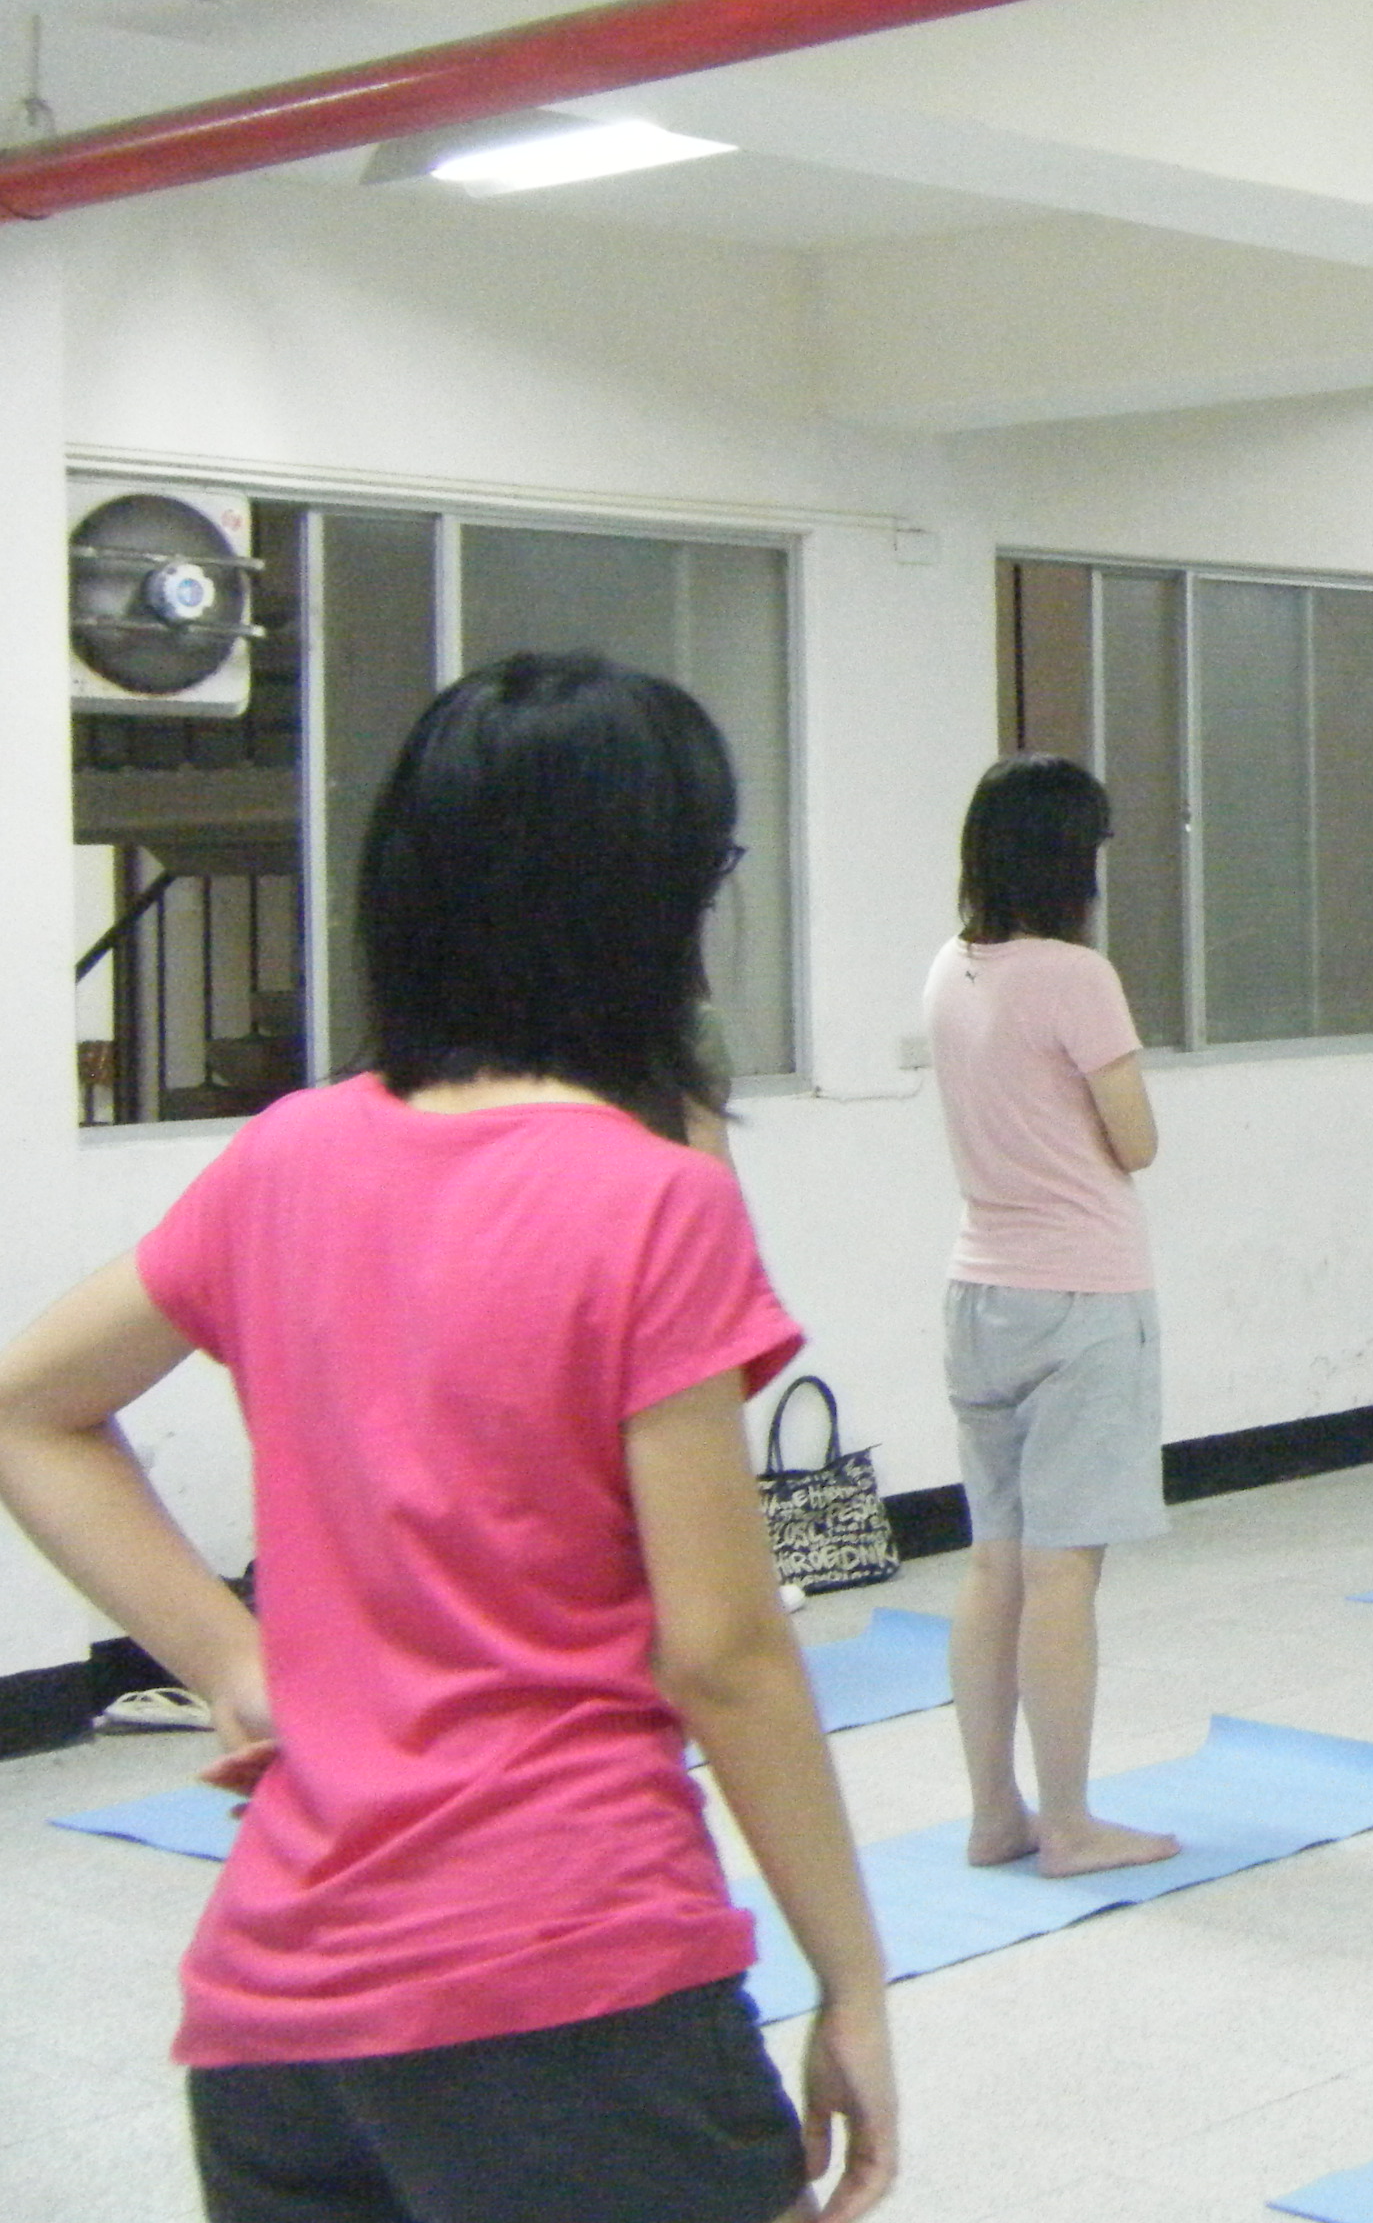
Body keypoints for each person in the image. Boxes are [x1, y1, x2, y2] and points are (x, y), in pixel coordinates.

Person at [0, 653, 895, 2223]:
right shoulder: (652, 1201)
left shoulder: (287, 1154)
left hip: (281, 2023)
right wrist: (856, 1983)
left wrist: (230, 1660)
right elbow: (724, 1652)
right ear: (659, 903)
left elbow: (30, 1409)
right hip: (570, 1992)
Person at [927, 755, 1179, 1877]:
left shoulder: (951, 968)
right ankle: (1070, 1824)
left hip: (978, 1291)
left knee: (996, 1566)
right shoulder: (1077, 976)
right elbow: (1138, 1141)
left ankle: (997, 1812)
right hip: (1081, 1295)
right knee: (1064, 1572)